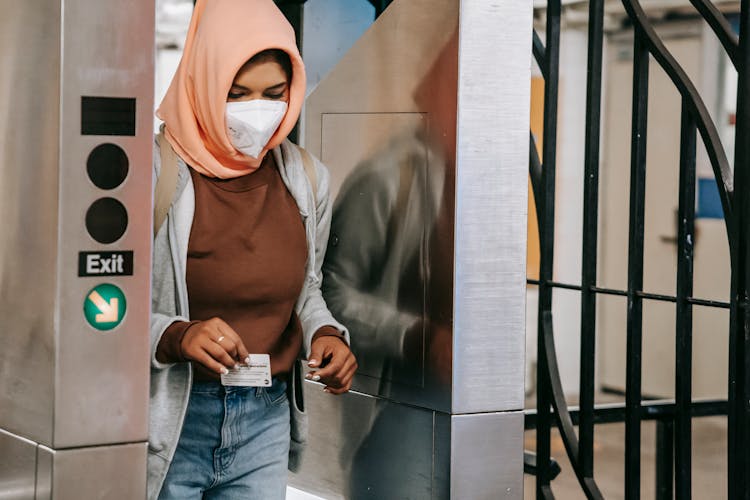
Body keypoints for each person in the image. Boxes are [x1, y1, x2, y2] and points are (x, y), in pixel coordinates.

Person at [147, 1, 357, 499]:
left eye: (274, 94)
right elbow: (100, 308)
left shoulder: (305, 179)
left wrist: (326, 332)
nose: (257, 110)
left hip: (265, 419)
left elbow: (306, 289)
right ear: (203, 84)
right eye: (236, 94)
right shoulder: (153, 175)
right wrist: (177, 334)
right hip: (172, 418)